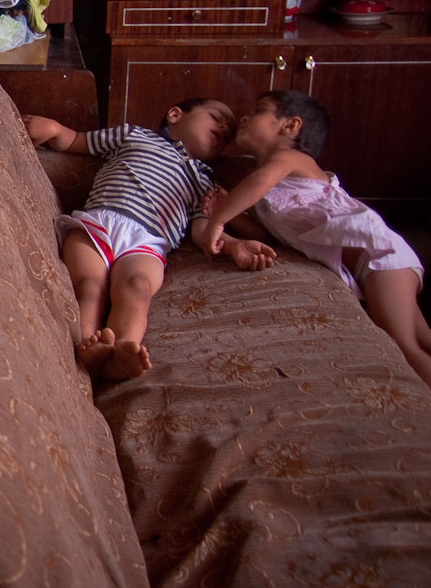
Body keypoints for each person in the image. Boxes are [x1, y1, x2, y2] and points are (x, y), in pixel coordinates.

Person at [198, 90, 431, 417]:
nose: (245, 117)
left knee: (405, 346)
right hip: (373, 265)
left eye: (259, 110)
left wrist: (216, 223)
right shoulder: (269, 192)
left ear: (290, 126)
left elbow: (260, 180)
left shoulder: (290, 160)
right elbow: (268, 236)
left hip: (379, 257)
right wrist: (230, 213)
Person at [25, 99, 276, 380]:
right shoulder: (134, 135)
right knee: (90, 285)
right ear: (175, 115)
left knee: (138, 288)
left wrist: (233, 245)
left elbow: (203, 230)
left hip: (149, 242)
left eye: (228, 134)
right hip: (98, 223)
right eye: (216, 117)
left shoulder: (204, 180)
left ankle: (120, 352)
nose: (223, 129)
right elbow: (76, 141)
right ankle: (88, 349)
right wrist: (54, 128)